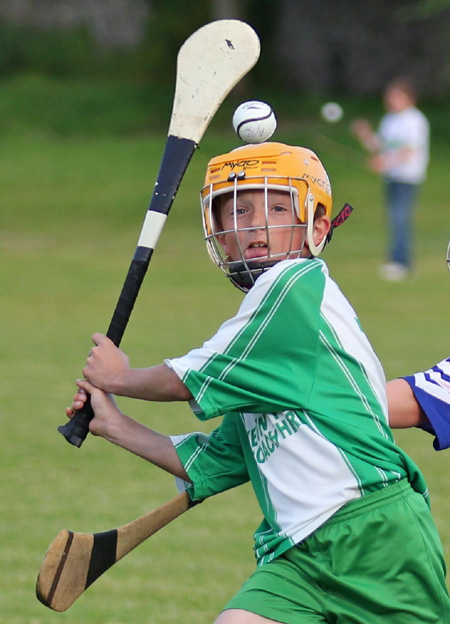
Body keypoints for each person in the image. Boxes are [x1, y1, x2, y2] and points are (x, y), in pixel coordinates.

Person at [67, 142, 449, 623]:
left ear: (317, 227)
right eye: (240, 211)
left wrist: (119, 377)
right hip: (295, 557)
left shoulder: (293, 287)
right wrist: (115, 425)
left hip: (373, 538)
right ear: (221, 236)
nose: (256, 224)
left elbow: (198, 374)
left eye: (276, 207)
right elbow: (217, 461)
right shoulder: (264, 354)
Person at [351, 76, 430, 281]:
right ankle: (396, 261)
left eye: (396, 96)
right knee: (393, 219)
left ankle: (403, 263)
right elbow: (380, 148)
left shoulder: (415, 120)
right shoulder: (390, 120)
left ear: (408, 98)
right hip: (392, 178)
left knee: (400, 218)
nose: (391, 100)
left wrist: (386, 163)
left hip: (408, 177)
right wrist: (365, 134)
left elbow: (409, 151)